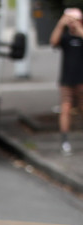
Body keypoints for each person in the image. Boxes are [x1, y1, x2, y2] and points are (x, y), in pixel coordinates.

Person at [50, 7, 83, 156]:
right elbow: (53, 42)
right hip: (67, 80)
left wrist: (79, 29)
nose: (71, 24)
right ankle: (65, 140)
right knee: (65, 109)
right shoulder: (65, 37)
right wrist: (60, 24)